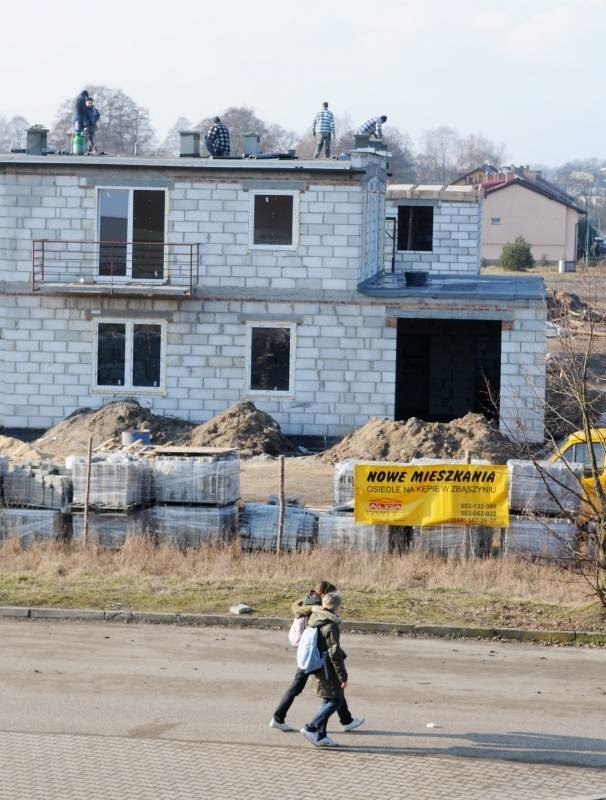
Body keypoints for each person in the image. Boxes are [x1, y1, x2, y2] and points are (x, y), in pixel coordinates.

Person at [269, 580, 364, 734]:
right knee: (331, 689)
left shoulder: (306, 601)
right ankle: (283, 719)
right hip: (315, 653)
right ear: (324, 594)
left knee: (319, 688)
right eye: (331, 593)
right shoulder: (316, 609)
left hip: (308, 651)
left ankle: (346, 720)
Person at [300, 591, 348, 747]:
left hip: (317, 663)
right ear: (337, 606)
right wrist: (343, 676)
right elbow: (334, 652)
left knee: (327, 699)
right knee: (336, 700)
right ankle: (311, 727)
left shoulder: (315, 617)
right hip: (328, 667)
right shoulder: (331, 624)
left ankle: (321, 736)